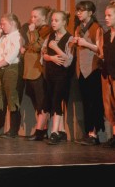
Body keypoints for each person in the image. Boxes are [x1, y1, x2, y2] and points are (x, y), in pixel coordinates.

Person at [72, 1, 104, 146]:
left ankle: (94, 134)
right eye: (78, 10)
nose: (79, 13)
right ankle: (88, 132)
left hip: (93, 69)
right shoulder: (78, 28)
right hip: (81, 70)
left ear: (90, 12)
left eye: (82, 10)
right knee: (85, 102)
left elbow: (100, 49)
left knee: (94, 102)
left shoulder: (96, 27)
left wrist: (85, 44)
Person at [42, 10, 74, 145]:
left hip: (62, 75)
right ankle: (61, 131)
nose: (53, 23)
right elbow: (43, 54)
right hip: (50, 74)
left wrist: (55, 48)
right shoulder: (50, 36)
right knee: (52, 100)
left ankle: (54, 132)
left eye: (56, 20)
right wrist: (51, 58)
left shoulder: (70, 38)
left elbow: (68, 60)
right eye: (52, 20)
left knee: (57, 100)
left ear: (64, 22)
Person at [0, 13, 22, 138]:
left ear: (12, 23)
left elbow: (11, 56)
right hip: (0, 68)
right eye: (1, 24)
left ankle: (13, 130)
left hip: (10, 69)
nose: (1, 26)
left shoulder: (17, 37)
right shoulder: (3, 37)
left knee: (12, 98)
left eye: (4, 24)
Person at [21, 6, 52, 141]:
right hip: (30, 71)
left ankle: (40, 131)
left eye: (35, 17)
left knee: (42, 101)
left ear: (43, 18)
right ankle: (42, 129)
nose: (32, 20)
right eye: (31, 17)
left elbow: (37, 46)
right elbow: (30, 45)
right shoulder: (36, 30)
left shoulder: (46, 30)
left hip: (38, 70)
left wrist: (32, 32)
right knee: (36, 101)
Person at [99, 0, 115, 148]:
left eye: (109, 15)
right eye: (105, 15)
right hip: (107, 74)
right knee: (110, 107)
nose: (106, 18)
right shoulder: (106, 36)